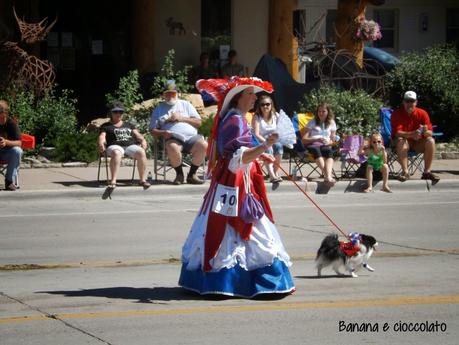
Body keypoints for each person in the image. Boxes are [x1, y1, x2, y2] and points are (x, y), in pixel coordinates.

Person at [178, 77, 295, 298]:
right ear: (239, 97)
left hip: (237, 181)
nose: (255, 98)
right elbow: (237, 158)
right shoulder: (235, 122)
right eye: (251, 94)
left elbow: (245, 153)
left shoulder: (239, 119)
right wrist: (265, 146)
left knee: (235, 222)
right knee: (232, 223)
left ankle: (229, 278)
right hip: (234, 182)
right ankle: (234, 280)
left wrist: (263, 156)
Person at [150, 80, 208, 185]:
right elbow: (152, 130)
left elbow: (199, 122)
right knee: (172, 147)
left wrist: (181, 118)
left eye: (172, 93)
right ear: (164, 95)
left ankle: (192, 175)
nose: (170, 95)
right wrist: (163, 133)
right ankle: (179, 175)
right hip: (173, 138)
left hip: (191, 138)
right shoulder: (159, 109)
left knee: (203, 145)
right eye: (167, 93)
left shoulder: (186, 105)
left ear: (178, 94)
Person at [98, 102, 150, 189]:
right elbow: (102, 136)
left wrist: (143, 141)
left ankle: (142, 180)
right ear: (111, 113)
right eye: (116, 112)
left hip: (129, 146)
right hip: (114, 146)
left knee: (141, 152)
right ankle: (113, 181)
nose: (118, 114)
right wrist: (101, 143)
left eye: (121, 112)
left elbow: (137, 135)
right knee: (117, 152)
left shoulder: (129, 125)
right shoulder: (106, 126)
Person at [391, 91, 439, 182]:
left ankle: (426, 172)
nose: (409, 104)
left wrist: (424, 131)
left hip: (417, 142)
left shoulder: (422, 113)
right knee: (401, 141)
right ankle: (405, 172)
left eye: (412, 101)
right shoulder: (396, 113)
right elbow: (397, 133)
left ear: (416, 102)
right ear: (403, 102)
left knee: (431, 141)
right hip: (404, 143)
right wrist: (412, 134)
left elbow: (430, 133)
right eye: (407, 101)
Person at [301, 102, 338, 186]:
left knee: (328, 151)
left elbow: (333, 139)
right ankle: (327, 176)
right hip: (313, 144)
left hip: (325, 144)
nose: (321, 113)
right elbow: (304, 139)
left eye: (323, 111)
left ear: (328, 112)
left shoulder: (331, 122)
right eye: (319, 111)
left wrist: (330, 142)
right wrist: (317, 138)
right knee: (315, 149)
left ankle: (327, 176)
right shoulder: (312, 122)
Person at [252, 95, 283, 183]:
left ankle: (275, 172)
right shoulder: (257, 117)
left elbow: (280, 130)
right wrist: (267, 142)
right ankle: (272, 175)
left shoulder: (276, 116)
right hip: (260, 140)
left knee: (279, 146)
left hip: (273, 139)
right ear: (259, 106)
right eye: (262, 104)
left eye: (267, 104)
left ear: (271, 105)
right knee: (268, 148)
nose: (265, 106)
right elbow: (257, 134)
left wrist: (275, 138)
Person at [0, 100, 22, 191]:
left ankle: (9, 181)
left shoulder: (12, 124)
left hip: (7, 153)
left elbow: (19, 143)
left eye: (2, 116)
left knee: (17, 151)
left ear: (5, 113)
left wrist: (6, 142)